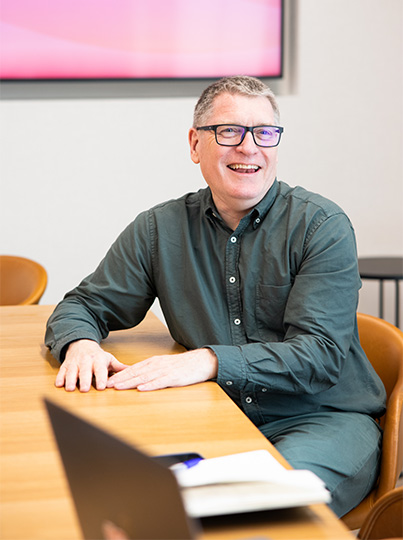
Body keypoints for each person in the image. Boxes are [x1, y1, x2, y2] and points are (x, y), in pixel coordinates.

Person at [45, 75, 386, 518]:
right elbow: (83, 305)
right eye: (229, 131)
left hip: (322, 418)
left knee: (256, 511)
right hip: (214, 414)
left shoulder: (321, 226)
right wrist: (80, 343)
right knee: (113, 491)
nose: (249, 148)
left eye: (264, 133)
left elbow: (319, 355)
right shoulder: (159, 229)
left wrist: (207, 361)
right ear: (194, 144)